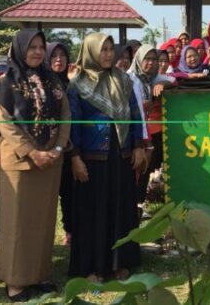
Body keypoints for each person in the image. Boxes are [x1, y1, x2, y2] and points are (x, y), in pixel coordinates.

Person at [0, 29, 71, 302]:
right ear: (20, 49)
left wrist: (57, 148)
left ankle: (40, 275)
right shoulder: (4, 83)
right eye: (31, 47)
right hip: (20, 163)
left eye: (40, 46)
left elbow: (65, 116)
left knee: (43, 221)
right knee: (17, 223)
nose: (37, 51)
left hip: (50, 163)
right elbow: (6, 126)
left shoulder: (54, 82)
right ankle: (15, 281)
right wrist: (32, 153)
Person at [67, 33, 147, 282]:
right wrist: (75, 156)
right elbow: (73, 123)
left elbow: (134, 113)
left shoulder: (123, 79)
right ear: (90, 51)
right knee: (93, 211)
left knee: (120, 207)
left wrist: (137, 146)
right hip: (92, 158)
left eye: (111, 49)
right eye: (103, 50)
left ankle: (118, 263)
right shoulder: (78, 84)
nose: (109, 54)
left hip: (120, 155)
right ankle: (93, 267)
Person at [128, 45, 174, 211]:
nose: (151, 63)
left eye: (154, 59)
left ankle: (138, 206)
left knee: (144, 170)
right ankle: (132, 206)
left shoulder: (150, 78)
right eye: (147, 59)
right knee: (136, 171)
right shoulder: (131, 78)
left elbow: (172, 80)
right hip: (132, 133)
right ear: (139, 59)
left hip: (146, 133)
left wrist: (162, 83)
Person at [45, 42, 74, 246]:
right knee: (47, 195)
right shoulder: (42, 85)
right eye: (54, 55)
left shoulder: (74, 85)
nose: (58, 59)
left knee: (70, 193)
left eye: (62, 55)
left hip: (71, 147)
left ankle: (70, 230)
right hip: (46, 148)